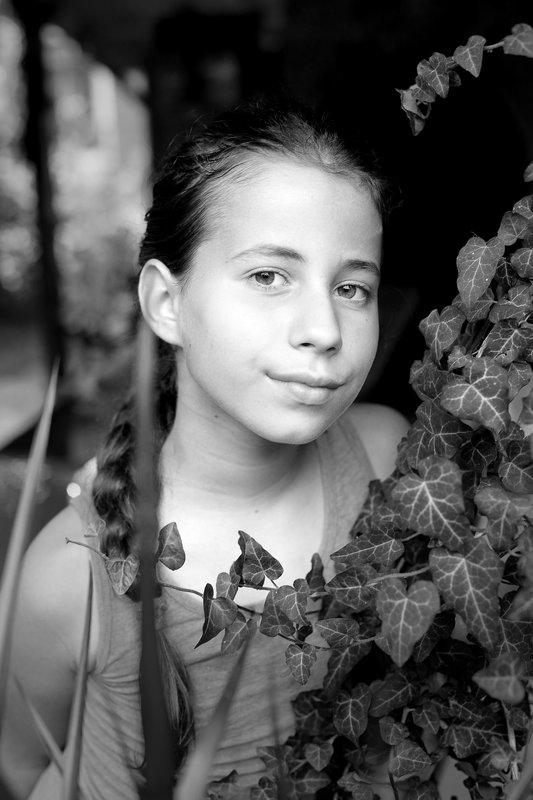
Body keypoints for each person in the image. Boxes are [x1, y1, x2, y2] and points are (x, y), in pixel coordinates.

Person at [0, 98, 409, 799]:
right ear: (167, 303)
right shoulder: (68, 580)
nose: (323, 329)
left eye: (351, 287)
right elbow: (20, 763)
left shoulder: (383, 456)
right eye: (268, 276)